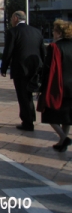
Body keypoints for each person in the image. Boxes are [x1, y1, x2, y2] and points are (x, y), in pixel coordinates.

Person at [1, 10, 46, 131]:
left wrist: (4, 67)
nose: (11, 20)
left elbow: (8, 51)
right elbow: (42, 51)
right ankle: (30, 118)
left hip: (20, 70)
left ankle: (27, 122)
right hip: (35, 69)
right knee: (29, 95)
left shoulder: (13, 32)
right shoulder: (36, 31)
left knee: (23, 96)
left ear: (16, 18)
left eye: (11, 18)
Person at [39, 20, 72, 152]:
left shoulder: (54, 47)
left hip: (58, 86)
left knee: (49, 113)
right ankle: (62, 141)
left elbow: (48, 68)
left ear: (59, 33)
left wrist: (41, 86)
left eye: (54, 30)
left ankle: (63, 137)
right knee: (67, 116)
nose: (53, 33)